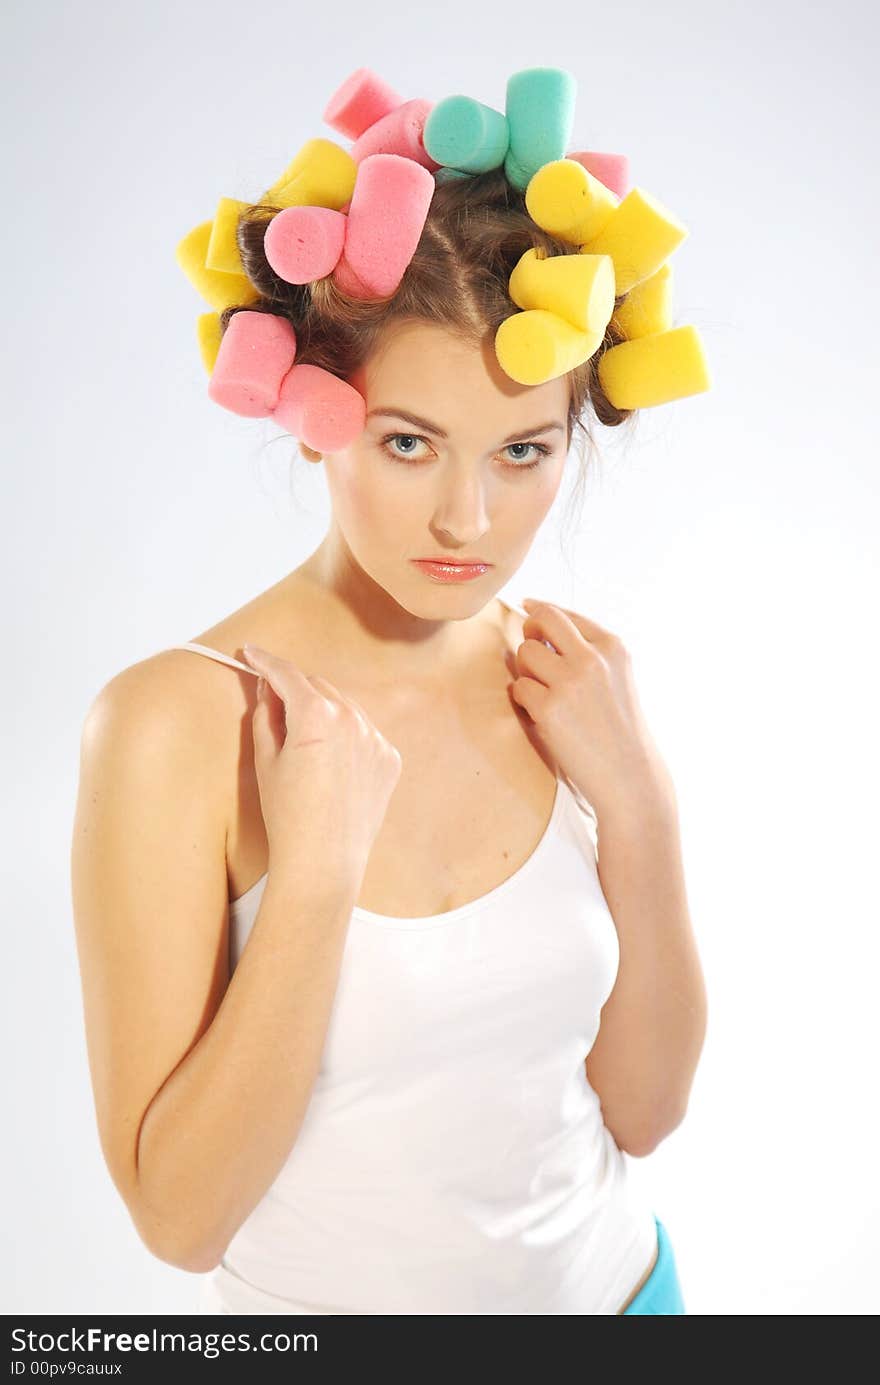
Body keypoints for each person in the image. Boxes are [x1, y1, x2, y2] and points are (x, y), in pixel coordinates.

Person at [70, 67, 708, 1315]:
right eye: (407, 442)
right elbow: (179, 1220)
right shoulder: (174, 724)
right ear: (316, 410)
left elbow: (645, 1111)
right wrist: (313, 874)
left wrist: (640, 808)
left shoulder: (569, 682)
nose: (468, 520)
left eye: (523, 451)